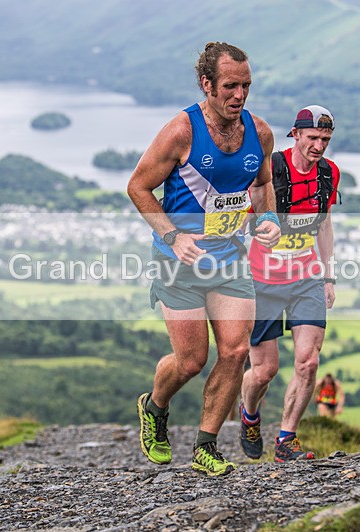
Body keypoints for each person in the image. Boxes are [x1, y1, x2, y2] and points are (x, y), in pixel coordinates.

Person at [127, 42, 281, 476]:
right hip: (178, 262)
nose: (240, 95)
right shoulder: (181, 132)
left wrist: (266, 218)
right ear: (207, 84)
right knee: (191, 361)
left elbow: (261, 184)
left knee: (234, 351)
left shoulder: (260, 132)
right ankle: (155, 406)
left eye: (246, 86)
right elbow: (138, 188)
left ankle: (206, 445)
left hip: (229, 259)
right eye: (230, 86)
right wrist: (174, 236)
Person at [238, 105, 340, 462]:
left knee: (308, 362)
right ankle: (249, 414)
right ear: (295, 135)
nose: (319, 146)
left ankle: (286, 441)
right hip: (262, 282)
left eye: (325, 139)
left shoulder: (328, 174)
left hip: (307, 279)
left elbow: (324, 223)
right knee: (263, 371)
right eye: (312, 137)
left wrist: (327, 275)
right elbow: (240, 218)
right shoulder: (271, 170)